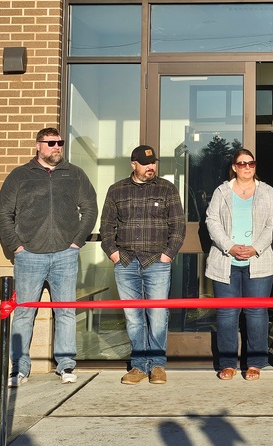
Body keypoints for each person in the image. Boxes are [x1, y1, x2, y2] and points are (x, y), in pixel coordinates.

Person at [0, 127, 97, 387]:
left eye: (59, 143)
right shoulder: (20, 176)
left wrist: (75, 242)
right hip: (29, 256)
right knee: (24, 313)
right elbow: (2, 213)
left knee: (65, 312)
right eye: (51, 143)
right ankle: (19, 368)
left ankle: (65, 365)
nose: (56, 147)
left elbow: (90, 209)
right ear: (38, 145)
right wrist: (17, 246)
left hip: (65, 254)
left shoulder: (74, 174)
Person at [100, 144, 186, 385]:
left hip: (156, 262)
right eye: (146, 163)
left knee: (157, 314)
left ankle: (157, 365)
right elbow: (106, 227)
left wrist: (168, 254)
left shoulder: (167, 189)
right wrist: (113, 253)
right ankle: (138, 366)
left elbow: (178, 226)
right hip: (125, 262)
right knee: (133, 317)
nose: (151, 167)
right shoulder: (117, 191)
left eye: (153, 163)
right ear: (133, 164)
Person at [205, 148, 273, 381]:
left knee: (256, 313)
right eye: (242, 163)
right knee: (227, 315)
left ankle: (255, 363)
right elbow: (212, 220)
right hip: (226, 261)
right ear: (234, 167)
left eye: (251, 163)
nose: (247, 167)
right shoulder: (222, 191)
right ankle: (228, 363)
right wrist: (229, 246)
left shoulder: (267, 191)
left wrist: (255, 248)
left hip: (259, 261)